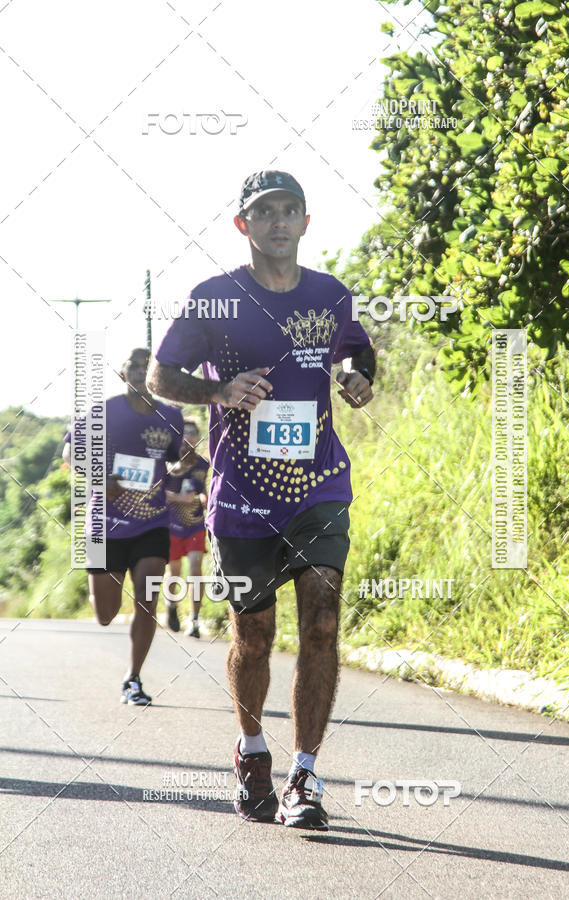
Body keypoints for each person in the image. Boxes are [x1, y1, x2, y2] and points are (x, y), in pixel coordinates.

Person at [147, 170, 375, 829]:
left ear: (307, 222)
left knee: (324, 617)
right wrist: (219, 392)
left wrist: (357, 379)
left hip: (318, 486)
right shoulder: (215, 299)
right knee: (254, 633)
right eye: (264, 212)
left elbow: (353, 355)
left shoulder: (330, 296)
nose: (279, 222)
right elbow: (163, 375)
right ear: (243, 225)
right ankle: (252, 754)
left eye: (290, 211)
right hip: (243, 495)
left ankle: (304, 775)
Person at [63, 347, 187, 705]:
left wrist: (185, 464)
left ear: (155, 373)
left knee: (147, 600)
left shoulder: (171, 416)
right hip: (104, 526)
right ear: (122, 373)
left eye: (146, 365)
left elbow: (175, 463)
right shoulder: (102, 413)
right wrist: (101, 478)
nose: (139, 370)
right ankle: (104, 602)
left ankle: (133, 678)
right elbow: (71, 455)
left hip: (152, 522)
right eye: (133, 365)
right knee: (105, 614)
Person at [164, 419, 209, 638]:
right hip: (171, 526)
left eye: (193, 433)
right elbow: (156, 493)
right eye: (186, 433)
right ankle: (171, 606)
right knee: (173, 571)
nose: (190, 437)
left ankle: (195, 620)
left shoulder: (203, 464)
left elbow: (204, 490)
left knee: (195, 569)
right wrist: (180, 498)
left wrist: (207, 499)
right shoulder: (168, 464)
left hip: (195, 525)